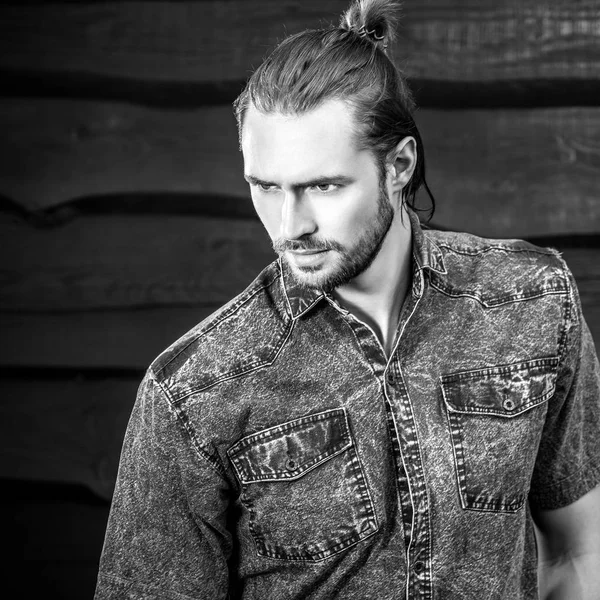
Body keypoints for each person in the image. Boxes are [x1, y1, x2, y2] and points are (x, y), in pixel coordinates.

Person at [95, 0, 600, 598]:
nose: (290, 226)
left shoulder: (533, 300)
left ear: (399, 166)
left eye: (324, 185)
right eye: (265, 187)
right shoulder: (192, 393)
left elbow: (577, 549)